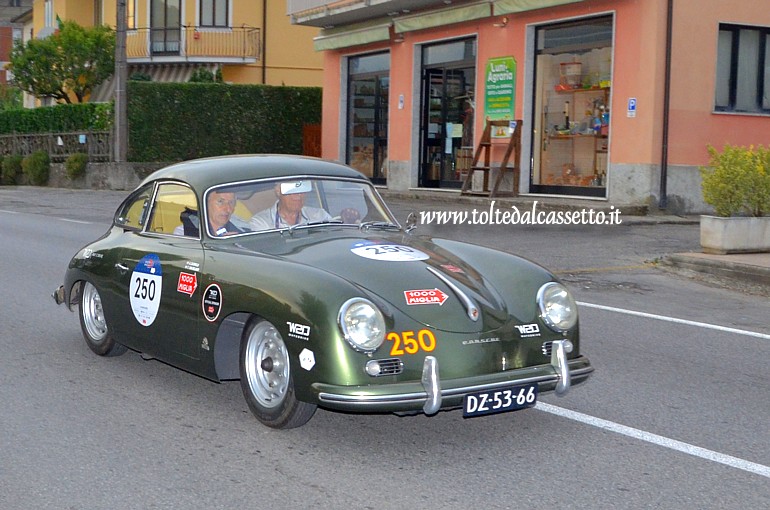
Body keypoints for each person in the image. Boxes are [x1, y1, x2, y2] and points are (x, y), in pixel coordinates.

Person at [249, 182, 333, 230]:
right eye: (292, 190)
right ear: (278, 191)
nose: (299, 195)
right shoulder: (261, 222)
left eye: (302, 189)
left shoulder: (320, 216)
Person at [173, 190, 245, 237]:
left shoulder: (243, 229)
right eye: (220, 201)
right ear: (206, 203)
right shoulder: (185, 233)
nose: (228, 209)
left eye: (231, 202)